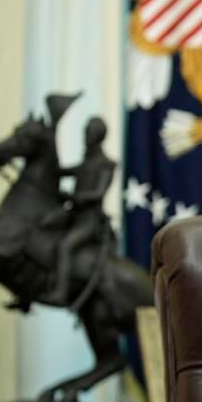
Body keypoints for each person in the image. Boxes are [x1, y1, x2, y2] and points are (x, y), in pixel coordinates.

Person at [39, 117, 116, 307]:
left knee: (65, 246)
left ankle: (60, 292)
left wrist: (74, 197)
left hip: (89, 220)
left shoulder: (106, 164)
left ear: (98, 136)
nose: (85, 136)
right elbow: (57, 171)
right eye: (85, 131)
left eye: (89, 132)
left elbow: (98, 193)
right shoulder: (85, 163)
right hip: (73, 214)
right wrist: (51, 138)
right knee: (40, 228)